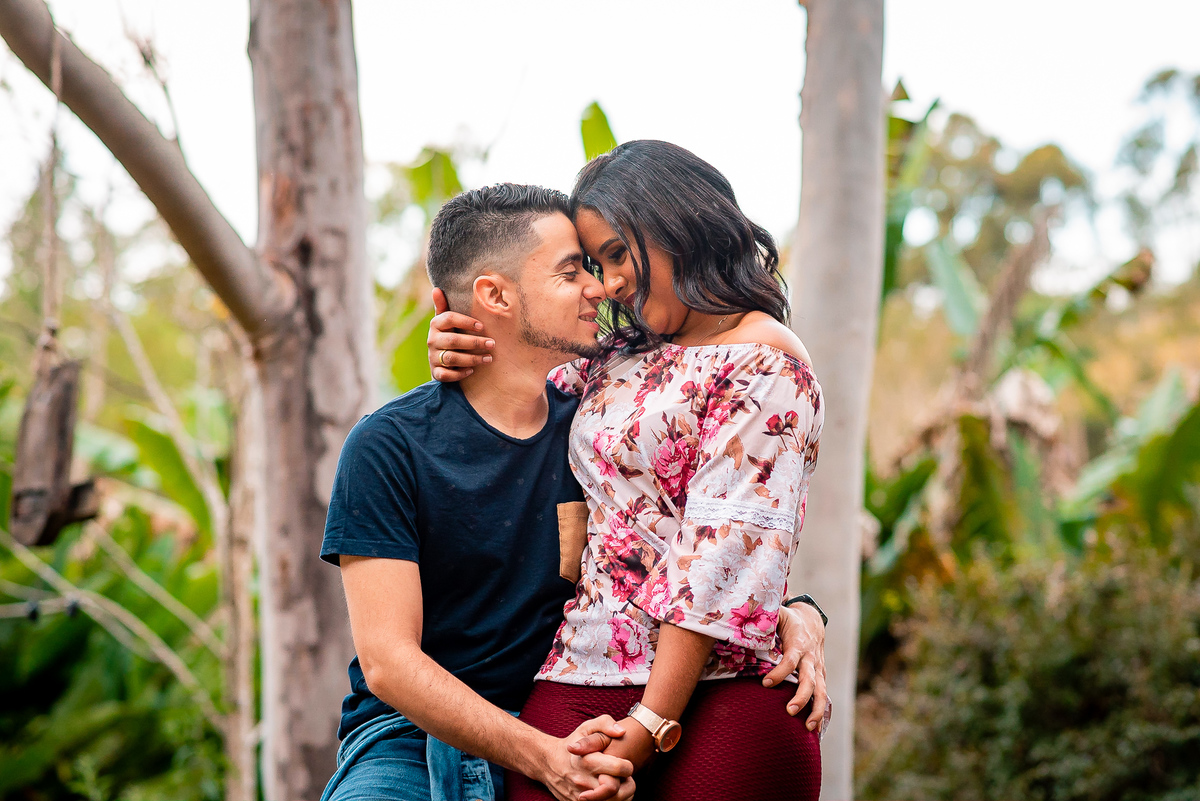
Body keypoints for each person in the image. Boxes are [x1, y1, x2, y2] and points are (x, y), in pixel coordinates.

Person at [320, 183, 825, 801]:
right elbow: (388, 663)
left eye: (602, 264)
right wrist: (545, 758)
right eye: (575, 270)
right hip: (413, 742)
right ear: (495, 295)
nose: (601, 287)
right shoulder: (388, 445)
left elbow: (683, 526)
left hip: (553, 716)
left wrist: (799, 611)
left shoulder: (591, 425)